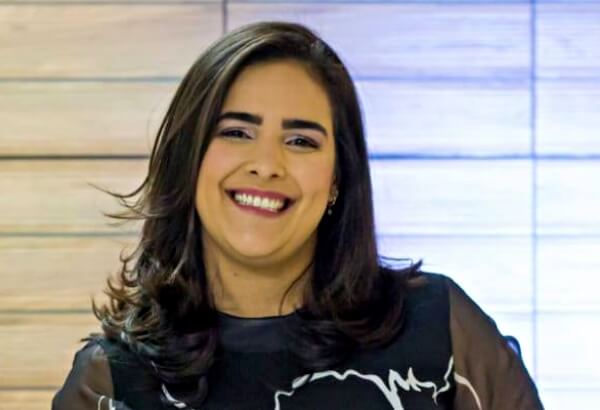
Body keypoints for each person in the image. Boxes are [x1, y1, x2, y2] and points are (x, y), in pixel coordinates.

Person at [52, 22, 544, 410]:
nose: (266, 164)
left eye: (300, 141)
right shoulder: (110, 381)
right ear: (189, 159)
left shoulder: (441, 327)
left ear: (336, 180)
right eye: (237, 133)